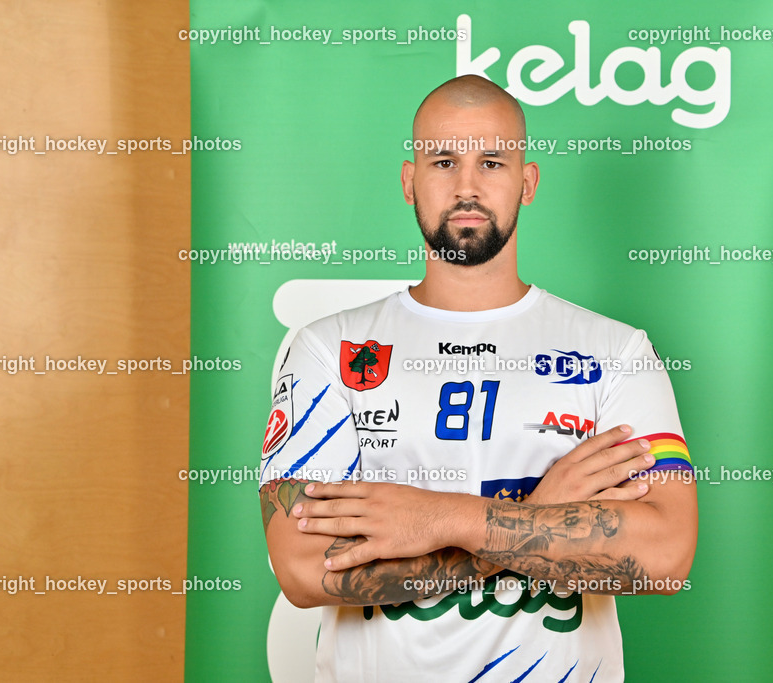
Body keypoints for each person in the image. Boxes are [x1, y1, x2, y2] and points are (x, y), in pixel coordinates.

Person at [258, 75, 697, 682]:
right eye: (443, 160)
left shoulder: (616, 351)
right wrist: (539, 516)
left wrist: (443, 518)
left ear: (528, 181)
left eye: (492, 161)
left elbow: (664, 557)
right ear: (410, 181)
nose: (466, 186)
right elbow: (304, 569)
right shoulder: (328, 350)